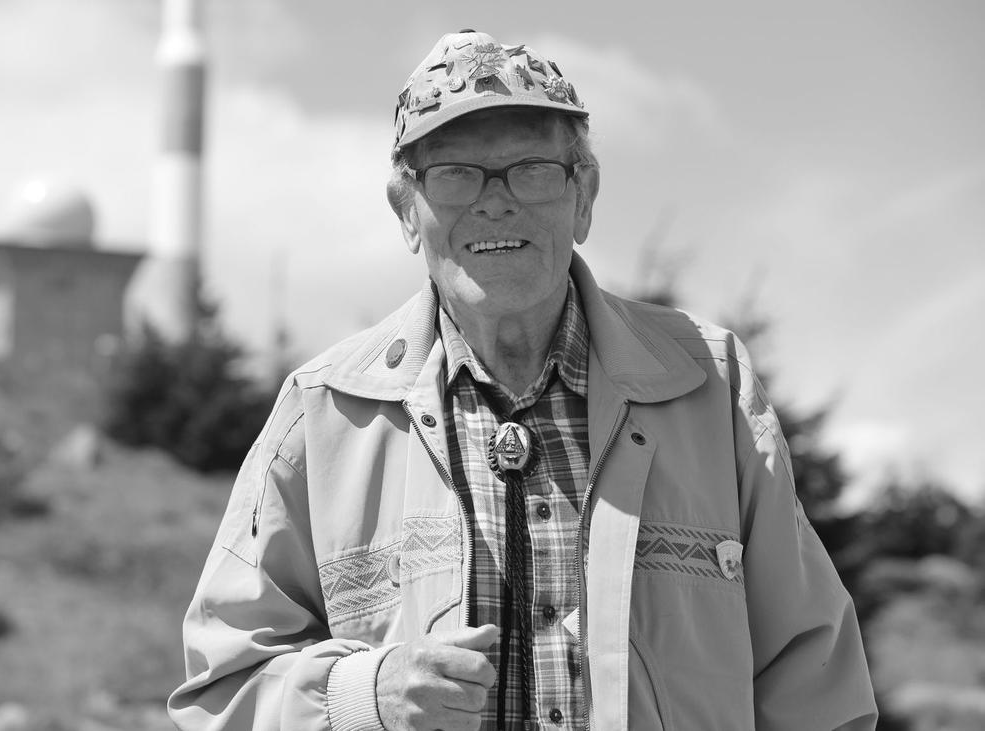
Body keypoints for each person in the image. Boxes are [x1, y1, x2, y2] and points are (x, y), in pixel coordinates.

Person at [169, 29, 878, 731]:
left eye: (532, 169)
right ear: (407, 211)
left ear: (584, 195)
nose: (496, 202)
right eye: (455, 174)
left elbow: (818, 688)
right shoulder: (324, 414)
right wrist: (364, 695)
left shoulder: (708, 386)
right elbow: (220, 693)